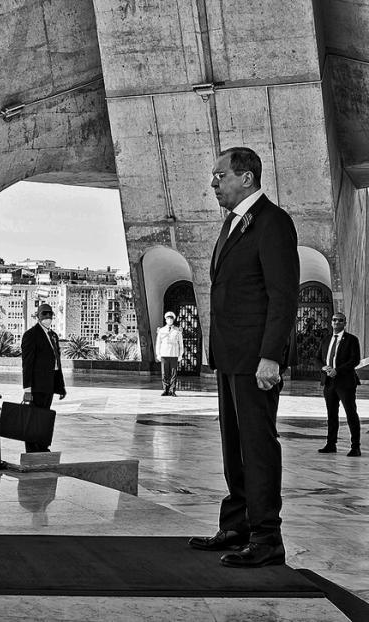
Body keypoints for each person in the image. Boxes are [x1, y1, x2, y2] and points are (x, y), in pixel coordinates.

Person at [188, 146, 299, 568]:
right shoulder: (232, 225)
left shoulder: (272, 222)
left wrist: (271, 356)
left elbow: (283, 295)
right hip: (231, 357)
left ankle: (267, 537)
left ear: (246, 178)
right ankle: (236, 525)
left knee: (257, 445)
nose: (214, 183)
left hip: (256, 360)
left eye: (220, 176)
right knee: (233, 445)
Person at [21, 304, 67, 452]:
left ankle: (42, 446)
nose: (48, 317)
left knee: (44, 417)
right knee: (34, 417)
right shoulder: (31, 335)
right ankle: (32, 448)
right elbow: (27, 364)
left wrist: (60, 387)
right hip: (36, 386)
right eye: (44, 314)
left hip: (49, 384)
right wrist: (27, 389)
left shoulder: (53, 335)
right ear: (38, 316)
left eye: (50, 314)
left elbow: (56, 363)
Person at [318, 312, 362, 457]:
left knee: (351, 414)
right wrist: (323, 368)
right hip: (329, 382)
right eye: (334, 320)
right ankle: (331, 444)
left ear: (345, 323)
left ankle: (355, 446)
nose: (336, 322)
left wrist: (338, 370)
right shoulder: (326, 339)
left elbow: (354, 360)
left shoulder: (351, 340)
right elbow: (318, 358)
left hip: (345, 383)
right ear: (331, 322)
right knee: (331, 414)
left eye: (340, 320)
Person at [154, 311, 184, 396]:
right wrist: (158, 354)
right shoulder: (161, 330)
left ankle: (172, 390)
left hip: (174, 354)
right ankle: (165, 389)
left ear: (173, 320)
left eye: (171, 319)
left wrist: (180, 354)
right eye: (168, 319)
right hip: (164, 354)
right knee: (164, 373)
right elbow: (158, 343)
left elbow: (181, 344)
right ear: (166, 320)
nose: (169, 320)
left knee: (173, 373)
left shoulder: (177, 331)